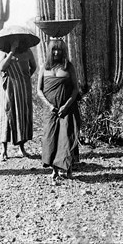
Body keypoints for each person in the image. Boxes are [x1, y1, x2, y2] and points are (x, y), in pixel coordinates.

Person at [37, 38, 80, 181]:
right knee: (51, 138)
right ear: (49, 51)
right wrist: (49, 106)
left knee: (66, 138)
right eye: (54, 49)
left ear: (63, 51)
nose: (56, 52)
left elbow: (75, 89)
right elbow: (39, 90)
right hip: (50, 110)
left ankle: (68, 169)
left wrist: (66, 106)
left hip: (67, 108)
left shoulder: (69, 67)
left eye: (59, 50)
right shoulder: (44, 67)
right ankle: (54, 170)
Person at [0, 38, 37, 161]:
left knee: (21, 115)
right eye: (12, 40)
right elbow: (2, 67)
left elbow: (33, 67)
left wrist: (24, 78)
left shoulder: (27, 52)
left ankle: (21, 148)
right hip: (8, 88)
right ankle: (3, 151)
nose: (15, 41)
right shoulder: (3, 51)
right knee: (6, 115)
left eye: (17, 39)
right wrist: (11, 52)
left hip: (23, 88)